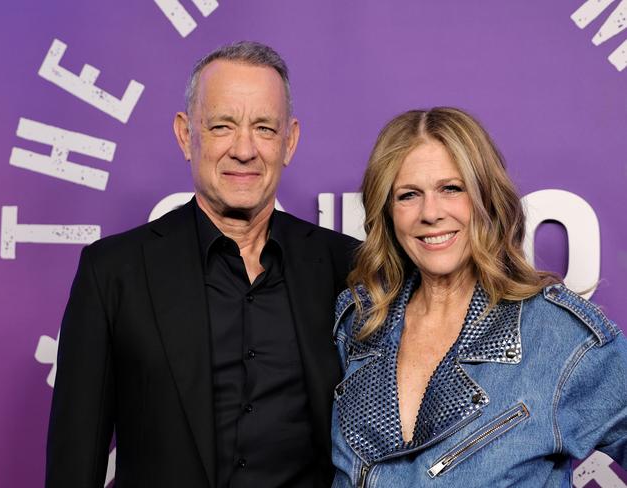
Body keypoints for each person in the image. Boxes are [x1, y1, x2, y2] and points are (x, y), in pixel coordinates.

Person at [46, 41, 357, 488]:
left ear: (288, 142)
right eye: (222, 126)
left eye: (264, 128)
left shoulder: (346, 266)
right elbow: (74, 466)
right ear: (184, 134)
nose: (244, 149)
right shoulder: (113, 272)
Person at [331, 107, 627, 487]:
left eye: (451, 189)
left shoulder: (557, 335)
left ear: (487, 198)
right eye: (408, 195)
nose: (430, 213)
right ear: (388, 213)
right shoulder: (358, 323)